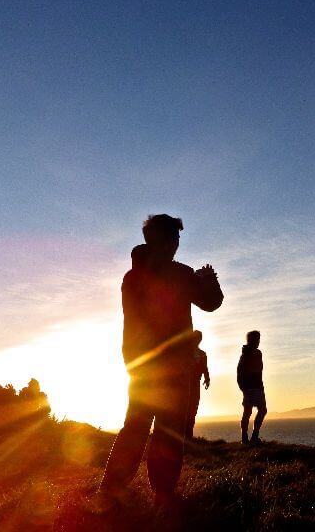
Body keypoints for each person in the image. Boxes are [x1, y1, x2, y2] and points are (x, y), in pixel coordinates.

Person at [97, 214, 223, 507]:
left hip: (140, 366)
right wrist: (209, 278)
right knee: (168, 431)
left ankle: (111, 489)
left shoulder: (131, 278)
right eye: (176, 238)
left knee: (135, 427)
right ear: (167, 241)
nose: (178, 244)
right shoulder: (180, 275)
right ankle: (163, 494)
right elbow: (212, 303)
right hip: (175, 368)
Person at [238, 330, 266, 444]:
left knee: (262, 410)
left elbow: (260, 371)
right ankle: (245, 438)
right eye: (257, 339)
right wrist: (243, 387)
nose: (258, 341)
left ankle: (254, 436)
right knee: (248, 411)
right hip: (249, 386)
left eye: (259, 339)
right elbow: (240, 371)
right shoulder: (245, 354)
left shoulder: (258, 353)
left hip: (258, 386)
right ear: (251, 340)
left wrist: (261, 386)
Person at [185, 329, 210, 440]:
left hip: (195, 385)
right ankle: (183, 436)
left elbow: (205, 367)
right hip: (185, 385)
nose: (197, 340)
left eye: (199, 338)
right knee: (185, 409)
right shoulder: (185, 352)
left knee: (193, 409)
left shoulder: (202, 354)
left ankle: (188, 435)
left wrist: (207, 378)